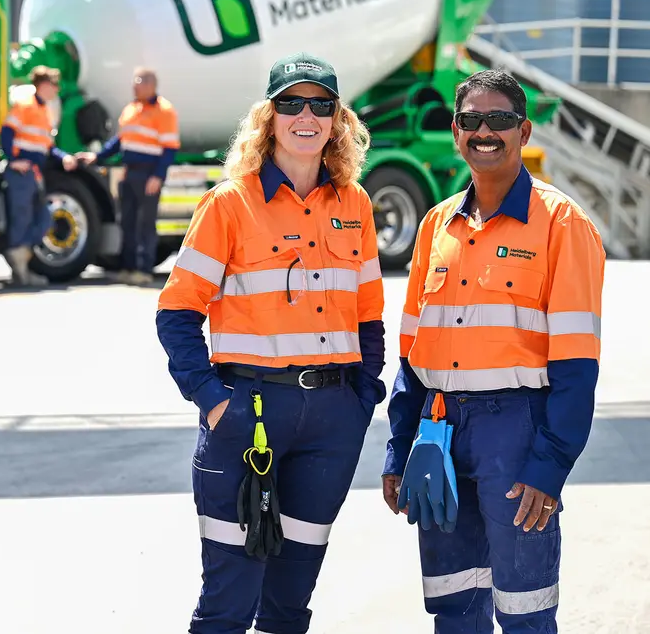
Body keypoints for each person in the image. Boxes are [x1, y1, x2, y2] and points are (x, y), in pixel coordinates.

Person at [155, 52, 387, 633]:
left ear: (336, 119)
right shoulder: (229, 204)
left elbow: (369, 317)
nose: (305, 116)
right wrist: (213, 401)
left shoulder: (354, 205)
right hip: (248, 414)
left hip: (331, 421)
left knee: (289, 606)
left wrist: (361, 402)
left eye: (320, 105)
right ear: (269, 117)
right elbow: (177, 312)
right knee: (228, 604)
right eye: (291, 104)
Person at [382, 69, 605, 633]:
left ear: (523, 131)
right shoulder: (435, 225)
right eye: (472, 120)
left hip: (516, 430)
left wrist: (549, 467)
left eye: (500, 120)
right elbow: (412, 350)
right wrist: (397, 448)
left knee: (524, 608)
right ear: (456, 133)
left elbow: (577, 366)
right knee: (454, 603)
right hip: (438, 431)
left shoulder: (561, 224)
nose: (485, 131)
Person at [77, 67, 179, 285]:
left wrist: (157, 177)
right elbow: (120, 141)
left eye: (139, 81)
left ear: (151, 84)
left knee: (145, 224)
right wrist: (96, 156)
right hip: (130, 173)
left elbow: (169, 149)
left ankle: (144, 270)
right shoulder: (131, 109)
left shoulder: (165, 111)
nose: (134, 85)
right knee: (128, 222)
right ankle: (128, 267)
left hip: (148, 174)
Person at [0, 65, 78, 285]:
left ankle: (21, 259)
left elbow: (47, 146)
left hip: (34, 174)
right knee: (22, 216)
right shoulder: (25, 106)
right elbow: (6, 131)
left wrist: (64, 157)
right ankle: (20, 268)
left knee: (42, 216)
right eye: (54, 85)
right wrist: (14, 161)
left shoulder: (44, 111)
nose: (56, 90)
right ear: (43, 85)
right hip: (22, 173)